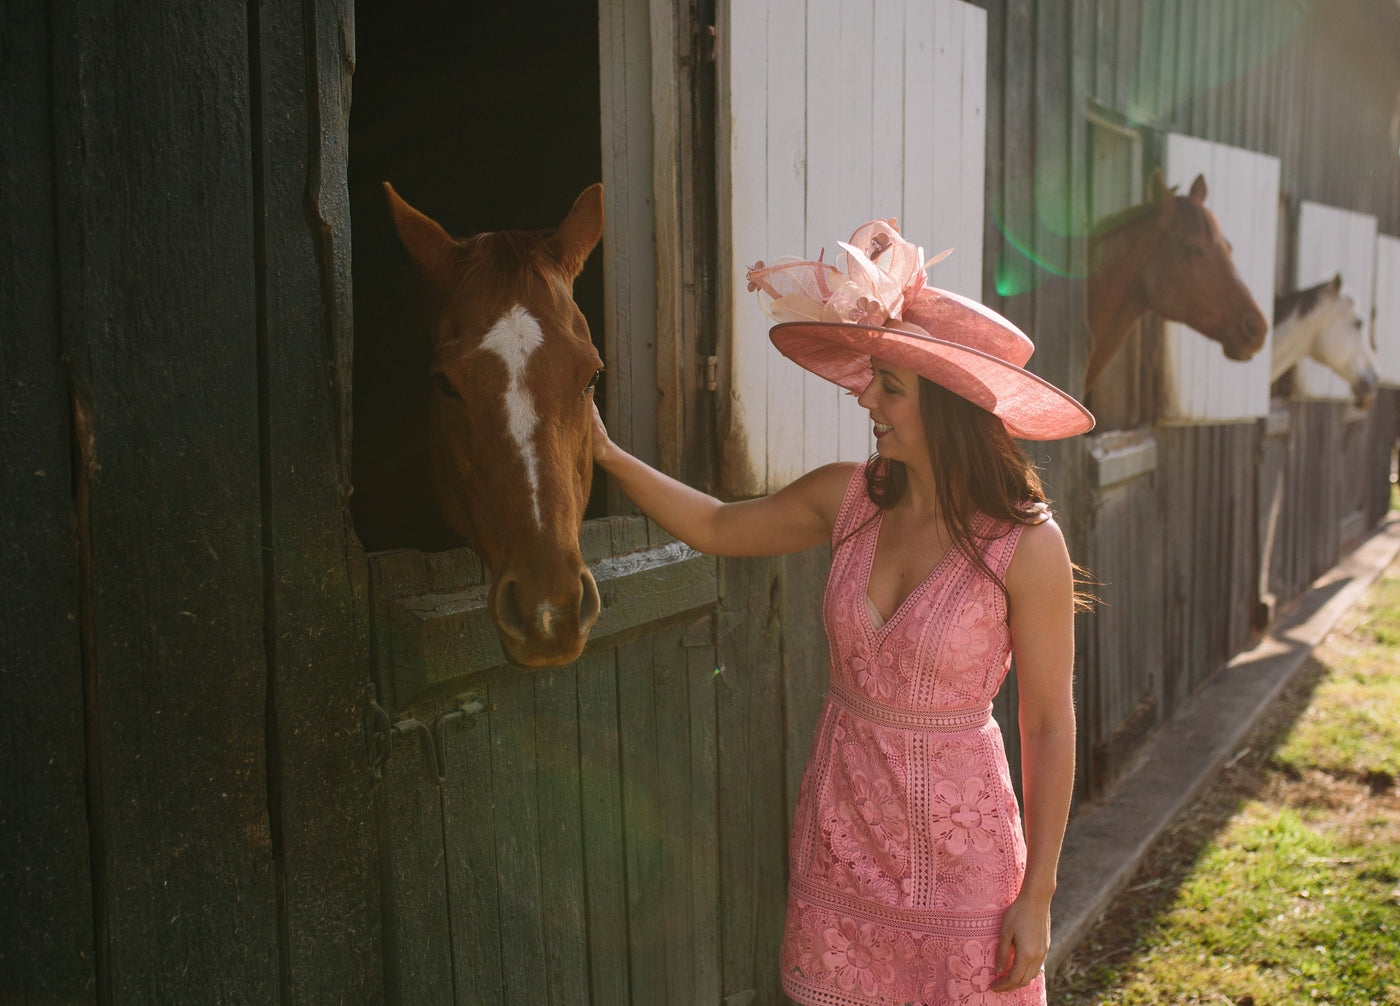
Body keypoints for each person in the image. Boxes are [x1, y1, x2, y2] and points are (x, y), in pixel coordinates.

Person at [591, 219, 1094, 1005]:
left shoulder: (1027, 547)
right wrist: (608, 456)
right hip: (841, 837)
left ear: (952, 409)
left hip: (965, 865)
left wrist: (1037, 896)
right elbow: (720, 525)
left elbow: (1049, 725)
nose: (866, 395)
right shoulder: (847, 499)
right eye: (872, 379)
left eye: (890, 386)